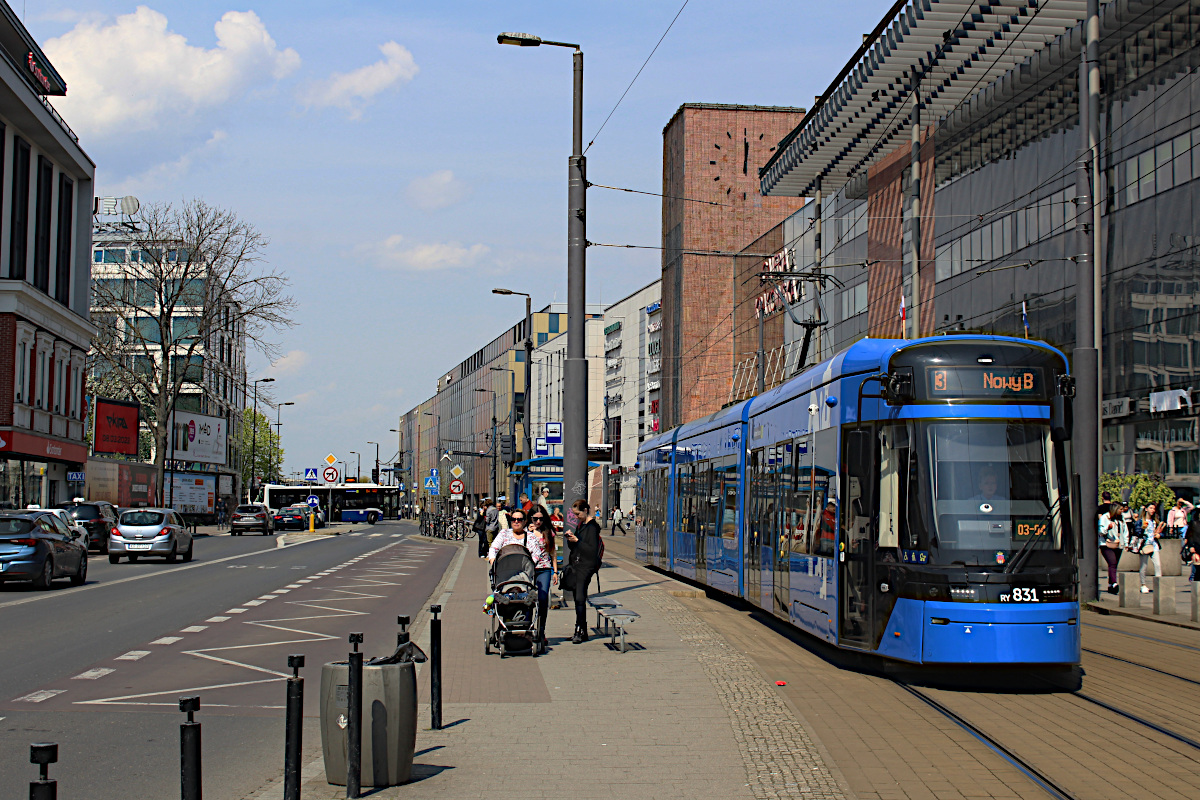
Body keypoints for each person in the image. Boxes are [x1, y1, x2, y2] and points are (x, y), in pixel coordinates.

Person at [564, 499, 603, 643]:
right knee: (577, 597)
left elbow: (590, 550)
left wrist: (577, 541)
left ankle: (580, 630)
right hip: (578, 565)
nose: (576, 516)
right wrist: (570, 539)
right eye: (574, 514)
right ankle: (580, 629)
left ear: (585, 510)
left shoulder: (592, 527)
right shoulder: (581, 525)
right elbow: (576, 545)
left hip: (587, 566)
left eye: (578, 513)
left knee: (580, 597)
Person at [527, 504, 557, 643]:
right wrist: (528, 532)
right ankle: (527, 628)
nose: (538, 522)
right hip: (529, 569)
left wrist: (555, 572)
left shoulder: (548, 532)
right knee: (527, 600)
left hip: (544, 568)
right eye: (535, 519)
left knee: (543, 599)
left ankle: (541, 630)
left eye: (541, 519)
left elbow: (553, 553)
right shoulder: (526, 532)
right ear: (530, 519)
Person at [1136, 502, 1164, 593]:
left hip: (1154, 545)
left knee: (1158, 565)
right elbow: (1136, 533)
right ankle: (1143, 584)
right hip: (1144, 546)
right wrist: (1143, 530)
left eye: (1153, 508)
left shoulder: (1155, 521)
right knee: (1143, 566)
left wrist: (1159, 535)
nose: (1152, 510)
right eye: (1151, 508)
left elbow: (1160, 532)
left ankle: (1158, 584)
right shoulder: (1141, 521)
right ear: (1146, 509)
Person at [1098, 503, 1122, 595]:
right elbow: (1100, 531)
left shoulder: (1119, 519)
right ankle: (1115, 583)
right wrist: (1108, 527)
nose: (1121, 511)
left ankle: (1110, 585)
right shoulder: (1105, 518)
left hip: (1116, 544)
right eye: (1120, 509)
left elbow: (1124, 531)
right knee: (1112, 562)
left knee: (1113, 565)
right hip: (1105, 544)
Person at [1185, 510, 1200, 582]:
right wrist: (1191, 546)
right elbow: (1189, 536)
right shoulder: (1194, 523)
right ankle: (1195, 581)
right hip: (1196, 548)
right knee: (1197, 567)